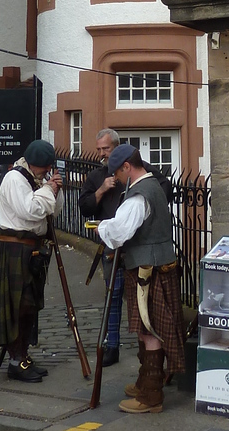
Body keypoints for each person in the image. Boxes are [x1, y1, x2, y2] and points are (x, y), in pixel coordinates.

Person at [97, 143, 185, 413]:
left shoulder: (138, 196)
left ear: (127, 167)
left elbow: (121, 231)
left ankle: (150, 396)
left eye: (118, 172)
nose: (117, 178)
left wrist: (102, 227)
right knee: (148, 328)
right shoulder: (153, 185)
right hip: (156, 266)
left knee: (150, 330)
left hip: (149, 272)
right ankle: (146, 382)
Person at [0, 139, 62, 383]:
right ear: (35, 165)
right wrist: (48, 190)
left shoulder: (34, 179)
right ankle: (16, 362)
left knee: (29, 307)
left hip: (31, 251)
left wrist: (55, 190)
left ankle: (22, 357)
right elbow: (31, 211)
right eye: (45, 169)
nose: (47, 173)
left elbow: (52, 211)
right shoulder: (15, 179)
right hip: (13, 250)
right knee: (18, 307)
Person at [78, 128, 124, 367]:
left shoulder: (134, 169)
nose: (102, 154)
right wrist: (102, 190)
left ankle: (150, 350)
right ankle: (112, 345)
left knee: (142, 300)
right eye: (99, 149)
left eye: (106, 149)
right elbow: (84, 207)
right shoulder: (96, 176)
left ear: (116, 146)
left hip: (137, 246)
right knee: (113, 296)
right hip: (110, 247)